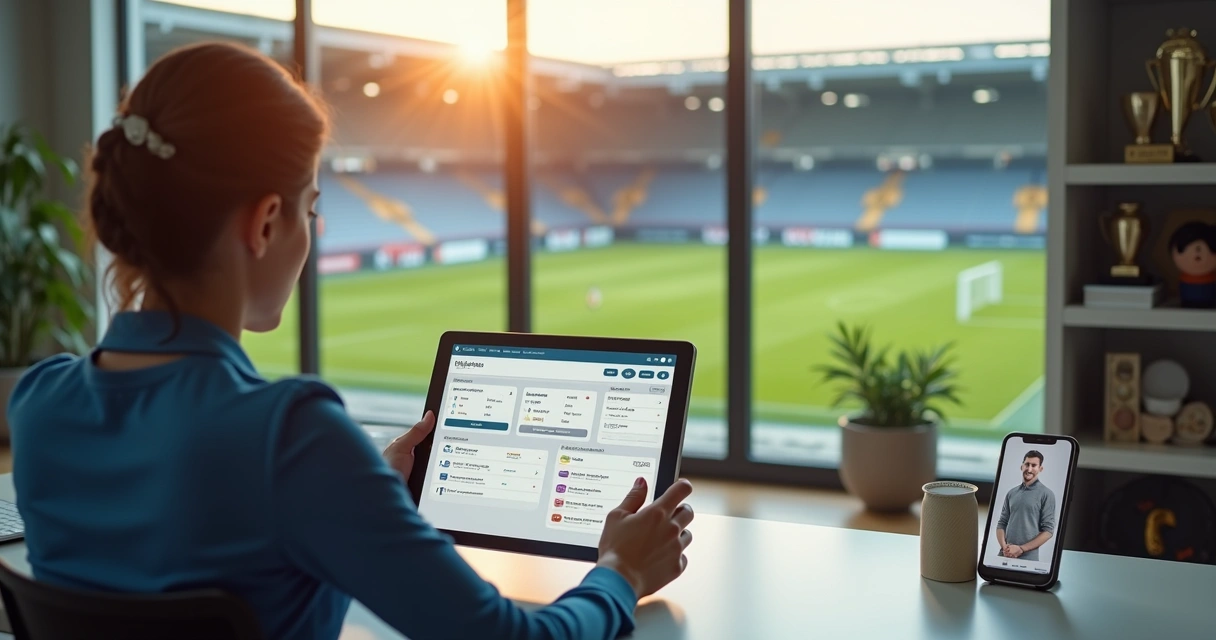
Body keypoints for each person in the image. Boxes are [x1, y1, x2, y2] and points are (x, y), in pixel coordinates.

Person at [5, 42, 694, 640]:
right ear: (267, 222)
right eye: (312, 209)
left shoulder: (39, 402)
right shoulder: (290, 435)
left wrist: (358, 490)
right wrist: (620, 572)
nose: (314, 233)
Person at [995, 450, 1056, 562]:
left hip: (1028, 559)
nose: (1029, 469)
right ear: (1021, 466)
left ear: (1040, 469)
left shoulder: (1047, 494)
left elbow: (1048, 531)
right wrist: (1005, 548)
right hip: (1004, 556)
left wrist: (1021, 549)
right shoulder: (1012, 493)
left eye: (1034, 465)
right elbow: (1001, 523)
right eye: (1027, 464)